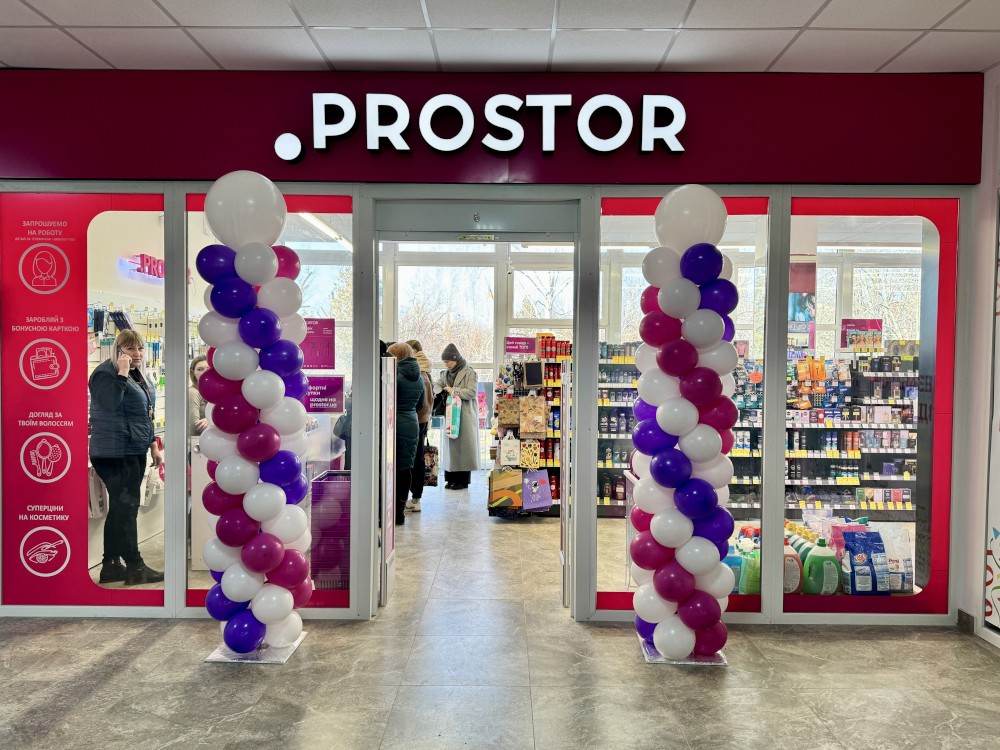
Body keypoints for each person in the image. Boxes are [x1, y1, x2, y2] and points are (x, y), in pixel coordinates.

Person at [89, 330, 164, 585]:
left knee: (121, 509)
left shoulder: (136, 375)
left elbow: (144, 413)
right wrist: (121, 372)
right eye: (131, 349)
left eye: (140, 348)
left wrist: (153, 445)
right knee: (127, 508)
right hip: (114, 452)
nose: (137, 354)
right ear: (118, 350)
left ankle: (111, 565)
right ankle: (135, 566)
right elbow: (109, 403)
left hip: (132, 448)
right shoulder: (105, 373)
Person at [386, 342, 425, 525]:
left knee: (390, 467)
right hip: (412, 423)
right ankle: (400, 512)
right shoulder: (419, 376)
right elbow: (420, 405)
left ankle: (389, 511)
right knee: (406, 467)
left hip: (394, 423)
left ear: (396, 356)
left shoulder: (395, 374)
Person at [436, 343, 480, 489]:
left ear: (456, 359)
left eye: (448, 361)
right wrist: (440, 390)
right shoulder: (445, 374)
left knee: (464, 448)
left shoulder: (470, 373)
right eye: (444, 362)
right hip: (451, 413)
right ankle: (450, 479)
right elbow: (437, 385)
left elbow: (472, 392)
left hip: (465, 414)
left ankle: (462, 481)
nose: (446, 365)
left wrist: (453, 390)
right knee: (451, 448)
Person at [405, 339, 433, 513]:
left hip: (416, 419)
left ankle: (415, 498)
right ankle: (415, 497)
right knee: (417, 458)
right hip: (423, 418)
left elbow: (418, 400)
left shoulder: (418, 371)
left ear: (414, 351)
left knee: (414, 459)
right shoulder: (426, 369)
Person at [189, 355, 209, 436]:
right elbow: (195, 426)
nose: (205, 372)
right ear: (193, 373)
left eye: (208, 369)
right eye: (200, 369)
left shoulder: (214, 392)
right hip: (199, 441)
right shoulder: (193, 392)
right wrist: (211, 421)